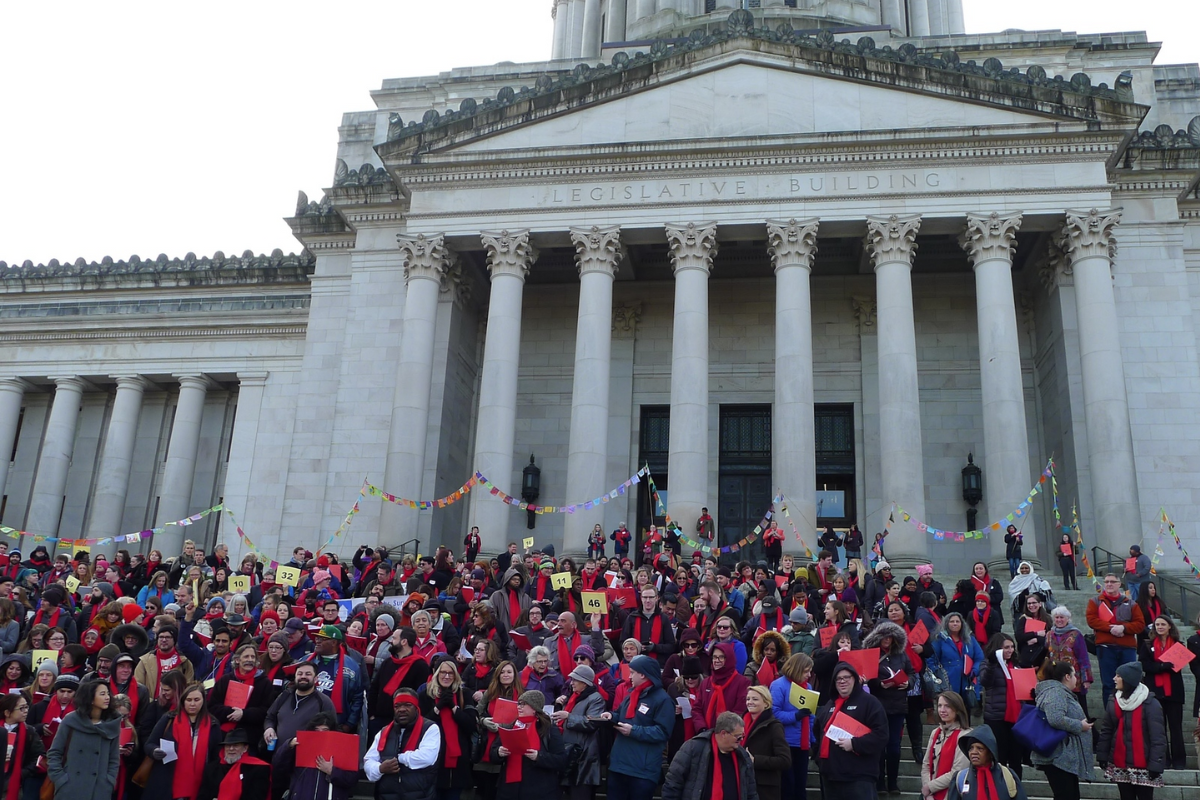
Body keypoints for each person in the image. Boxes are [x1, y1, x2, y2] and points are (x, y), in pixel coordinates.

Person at [601, 654, 676, 800]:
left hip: (642, 771)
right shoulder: (631, 695)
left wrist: (634, 731)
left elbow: (663, 732)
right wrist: (610, 716)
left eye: (633, 672)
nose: (629, 677)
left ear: (643, 674)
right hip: (619, 766)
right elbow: (619, 714)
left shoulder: (663, 700)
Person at [814, 660, 888, 799]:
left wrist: (854, 744)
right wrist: (819, 758)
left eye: (846, 677)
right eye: (838, 678)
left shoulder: (870, 703)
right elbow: (817, 732)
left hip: (859, 777)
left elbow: (881, 735)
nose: (842, 681)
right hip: (830, 776)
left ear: (855, 679)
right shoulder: (829, 705)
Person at [1096, 661, 1167, 800]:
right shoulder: (1114, 700)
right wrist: (1102, 755)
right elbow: (1107, 730)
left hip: (1144, 765)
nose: (1114, 679)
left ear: (1128, 679)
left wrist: (1156, 765)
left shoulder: (1150, 703)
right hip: (1120, 762)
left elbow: (1158, 738)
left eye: (1118, 676)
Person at [144, 682, 223, 800]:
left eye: (196, 700)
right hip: (167, 780)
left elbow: (217, 757)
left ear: (203, 701)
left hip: (200, 784)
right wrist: (155, 751)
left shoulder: (213, 724)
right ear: (183, 701)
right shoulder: (169, 718)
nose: (192, 704)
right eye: (188, 700)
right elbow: (149, 744)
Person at [46, 679, 121, 800]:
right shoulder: (71, 720)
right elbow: (54, 752)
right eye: (102, 694)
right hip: (69, 788)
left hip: (99, 790)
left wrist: (109, 781)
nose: (107, 697)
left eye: (108, 693)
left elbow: (114, 758)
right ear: (90, 699)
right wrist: (60, 779)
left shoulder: (112, 724)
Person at [1029, 661, 1093, 800]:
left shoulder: (1057, 691)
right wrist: (1079, 725)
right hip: (1058, 756)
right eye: (1074, 674)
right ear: (1067, 677)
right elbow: (1056, 718)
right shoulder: (1056, 692)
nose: (1076, 678)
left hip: (1062, 757)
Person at [864, 621, 914, 795]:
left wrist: (909, 683)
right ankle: (879, 782)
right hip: (878, 705)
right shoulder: (872, 653)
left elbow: (912, 673)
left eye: (890, 636)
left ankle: (892, 782)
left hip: (897, 705)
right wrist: (879, 684)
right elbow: (866, 676)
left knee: (894, 746)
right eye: (884, 636)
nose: (887, 639)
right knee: (879, 746)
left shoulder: (901, 654)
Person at [365, 688, 442, 800]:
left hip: (420, 796)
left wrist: (398, 758)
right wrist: (380, 768)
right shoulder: (383, 732)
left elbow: (427, 757)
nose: (402, 709)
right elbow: (368, 761)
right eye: (397, 706)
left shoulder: (430, 728)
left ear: (416, 707)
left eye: (407, 705)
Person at [661, 711, 757, 800]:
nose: (740, 740)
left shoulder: (742, 756)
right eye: (738, 737)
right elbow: (673, 784)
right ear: (723, 733)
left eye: (742, 736)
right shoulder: (693, 748)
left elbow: (751, 792)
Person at [491, 690, 568, 800]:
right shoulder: (511, 725)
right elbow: (493, 754)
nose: (519, 707)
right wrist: (499, 752)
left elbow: (561, 760)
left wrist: (538, 757)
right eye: (519, 703)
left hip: (540, 790)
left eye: (523, 704)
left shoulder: (548, 729)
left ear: (534, 708)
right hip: (509, 791)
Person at [418, 659, 477, 800]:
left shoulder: (464, 694)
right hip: (434, 760)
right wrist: (439, 707)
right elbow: (421, 726)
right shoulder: (425, 695)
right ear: (436, 673)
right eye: (443, 672)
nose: (447, 676)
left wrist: (452, 707)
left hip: (457, 762)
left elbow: (470, 725)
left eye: (451, 673)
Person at [1087, 573, 1147, 707]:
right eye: (1106, 581)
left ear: (1119, 584)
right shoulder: (1095, 601)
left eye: (1112, 581)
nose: (1109, 584)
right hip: (1105, 648)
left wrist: (1123, 628)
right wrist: (1111, 628)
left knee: (1130, 681)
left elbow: (1140, 624)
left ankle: (1131, 710)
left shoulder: (1131, 603)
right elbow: (1092, 620)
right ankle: (1111, 714)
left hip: (1127, 648)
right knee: (1108, 683)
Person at [1138, 614, 1187, 769]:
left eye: (1162, 624)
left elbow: (1180, 664)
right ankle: (1163, 759)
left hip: (1174, 691)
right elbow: (1143, 664)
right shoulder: (1147, 644)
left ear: (1169, 626)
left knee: (1176, 727)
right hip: (1155, 691)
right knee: (1159, 728)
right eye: (1157, 625)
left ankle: (1179, 760)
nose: (1159, 627)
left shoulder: (1178, 644)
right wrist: (1160, 667)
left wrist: (1169, 665)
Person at [278, 712, 359, 800]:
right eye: (317, 730)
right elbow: (279, 765)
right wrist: (288, 745)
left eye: (325, 730)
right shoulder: (300, 747)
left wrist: (332, 771)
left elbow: (352, 779)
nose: (320, 734)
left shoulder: (343, 747)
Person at [979, 634, 1026, 778]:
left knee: (1016, 759)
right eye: (1006, 647)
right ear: (998, 649)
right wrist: (993, 664)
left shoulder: (1016, 665)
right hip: (996, 717)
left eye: (1012, 647)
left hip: (1016, 718)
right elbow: (985, 681)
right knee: (1000, 758)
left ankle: (1015, 789)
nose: (1010, 650)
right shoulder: (987, 664)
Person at [263, 661, 336, 751]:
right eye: (300, 674)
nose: (303, 676)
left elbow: (332, 731)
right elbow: (270, 717)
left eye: (308, 674)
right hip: (279, 753)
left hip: (306, 755)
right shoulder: (285, 695)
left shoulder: (324, 701)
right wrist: (269, 728)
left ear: (316, 679)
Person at [945, 725, 1028, 800]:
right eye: (971, 748)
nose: (974, 752)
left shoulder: (1007, 776)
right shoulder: (961, 778)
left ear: (990, 752)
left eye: (980, 748)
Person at [920, 690, 972, 800]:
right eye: (939, 706)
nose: (942, 710)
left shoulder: (965, 735)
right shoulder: (935, 733)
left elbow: (957, 772)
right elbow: (926, 765)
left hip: (952, 794)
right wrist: (928, 794)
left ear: (957, 709)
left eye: (947, 706)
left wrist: (930, 787)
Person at [741, 685, 789, 800]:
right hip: (743, 784)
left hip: (765, 789)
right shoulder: (740, 724)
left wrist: (755, 760)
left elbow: (785, 760)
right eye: (748, 699)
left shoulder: (774, 726)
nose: (750, 702)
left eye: (755, 699)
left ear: (766, 703)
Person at [195, 727, 270, 800]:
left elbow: (256, 797)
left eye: (235, 745)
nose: (231, 749)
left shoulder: (258, 769)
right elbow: (203, 795)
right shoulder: (212, 768)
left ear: (245, 748)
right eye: (228, 745)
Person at [927, 613, 984, 707]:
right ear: (946, 623)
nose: (955, 624)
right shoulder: (939, 639)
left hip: (967, 681)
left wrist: (974, 670)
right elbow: (931, 659)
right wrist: (939, 675)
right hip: (948, 681)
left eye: (957, 621)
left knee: (966, 712)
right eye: (952, 621)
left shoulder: (970, 639)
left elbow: (980, 658)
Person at [696, 643, 751, 732]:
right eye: (714, 657)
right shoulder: (705, 683)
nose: (717, 660)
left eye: (721, 657)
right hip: (706, 734)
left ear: (729, 659)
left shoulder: (743, 683)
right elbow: (697, 708)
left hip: (729, 734)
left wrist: (724, 731)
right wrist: (702, 728)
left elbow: (740, 710)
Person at [0, 692, 45, 800]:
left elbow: (39, 757)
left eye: (26, 707)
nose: (26, 711)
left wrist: (21, 773)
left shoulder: (29, 732)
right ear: (7, 712)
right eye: (21, 708)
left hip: (15, 783)